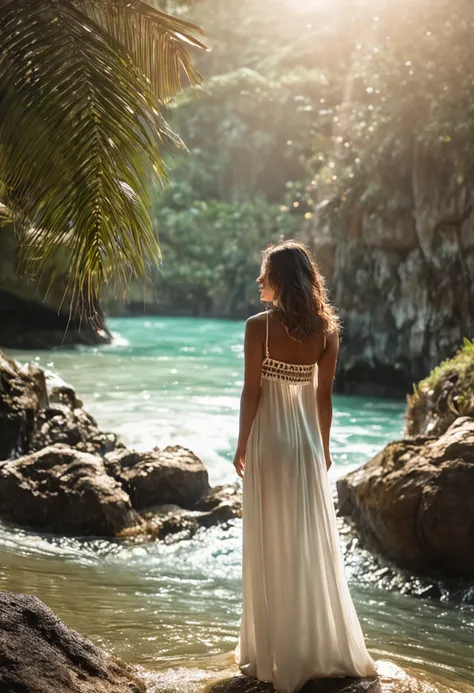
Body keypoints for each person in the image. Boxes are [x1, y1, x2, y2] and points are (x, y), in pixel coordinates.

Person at [232, 240, 377, 693]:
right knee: (309, 542)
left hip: (270, 444)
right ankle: (318, 646)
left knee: (269, 539)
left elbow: (251, 393)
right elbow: (323, 397)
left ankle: (270, 652)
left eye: (265, 274)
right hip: (307, 445)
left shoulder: (259, 328)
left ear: (279, 279)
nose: (260, 282)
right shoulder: (328, 330)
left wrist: (241, 445)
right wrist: (325, 448)